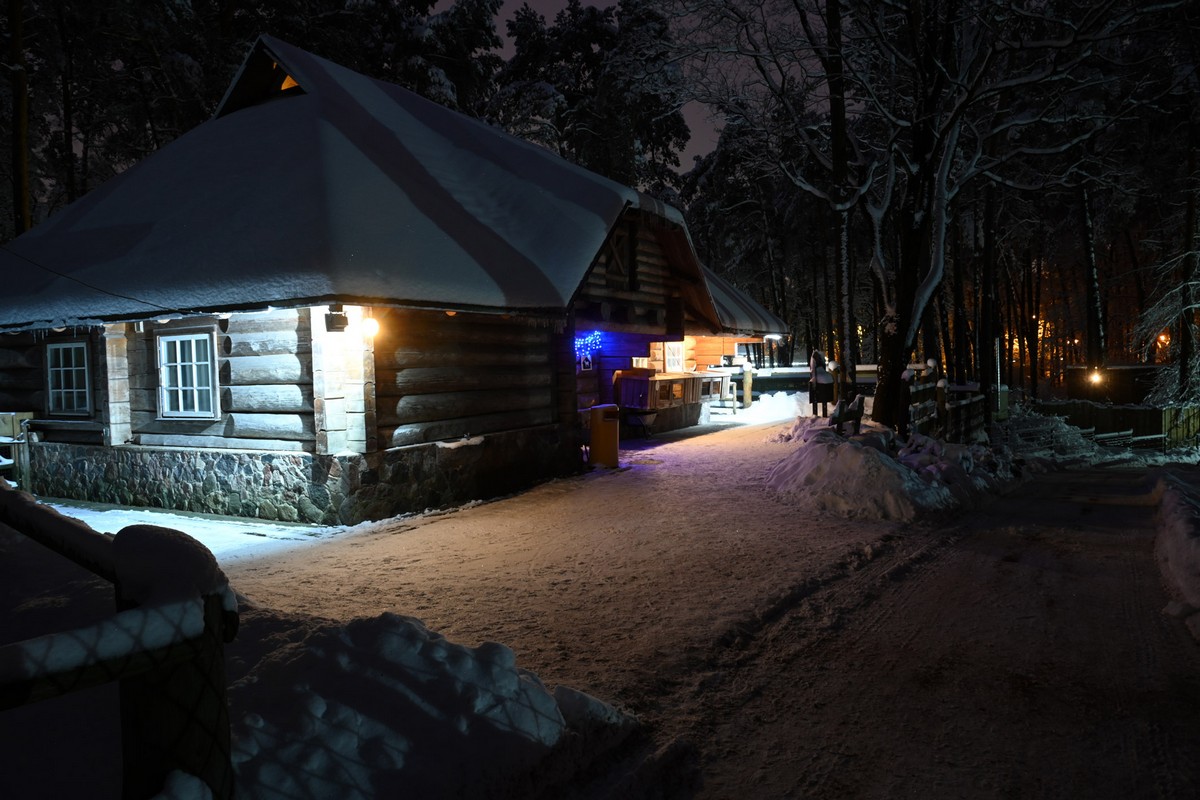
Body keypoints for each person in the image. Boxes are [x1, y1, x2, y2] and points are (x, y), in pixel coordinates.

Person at [809, 350, 834, 417]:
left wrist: (814, 385)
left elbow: (813, 372)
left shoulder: (815, 363)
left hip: (820, 384)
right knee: (824, 402)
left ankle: (816, 416)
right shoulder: (826, 375)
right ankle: (822, 416)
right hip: (823, 383)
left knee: (820, 402)